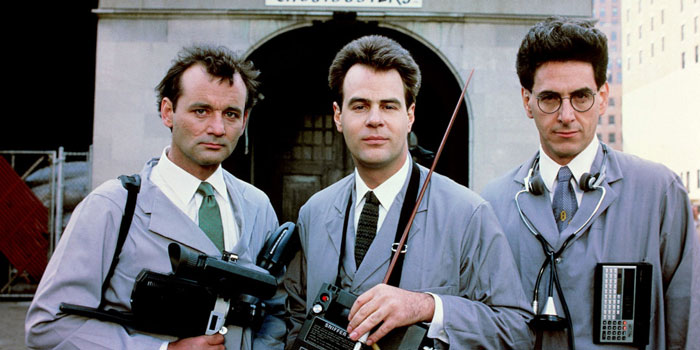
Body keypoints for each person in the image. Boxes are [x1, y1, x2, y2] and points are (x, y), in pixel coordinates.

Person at [25, 45, 286, 349]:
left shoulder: (257, 206)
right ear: (167, 112)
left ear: (244, 121)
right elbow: (48, 325)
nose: (217, 128)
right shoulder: (113, 206)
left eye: (231, 114)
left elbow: (276, 313)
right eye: (201, 111)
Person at [284, 35, 533, 349]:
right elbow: (293, 320)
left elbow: (515, 330)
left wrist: (426, 306)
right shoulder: (313, 213)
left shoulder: (467, 213)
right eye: (360, 106)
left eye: (388, 106)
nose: (375, 120)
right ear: (338, 115)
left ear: (410, 114)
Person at [481, 17, 700, 349]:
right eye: (550, 98)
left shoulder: (660, 192)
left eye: (581, 97)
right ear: (527, 101)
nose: (567, 115)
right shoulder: (493, 203)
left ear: (602, 96)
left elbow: (687, 319)